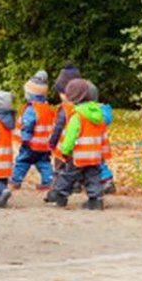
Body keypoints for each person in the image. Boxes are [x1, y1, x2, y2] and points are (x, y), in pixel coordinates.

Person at [48, 79, 111, 210]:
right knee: (93, 177)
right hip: (94, 155)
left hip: (78, 155)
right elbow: (104, 136)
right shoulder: (99, 116)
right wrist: (104, 153)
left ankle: (60, 195)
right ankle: (96, 199)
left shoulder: (77, 115)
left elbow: (71, 135)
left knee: (68, 175)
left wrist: (65, 150)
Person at [10, 71, 55, 191]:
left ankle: (15, 180)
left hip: (30, 143)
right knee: (44, 163)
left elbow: (28, 124)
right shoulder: (47, 108)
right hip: (44, 144)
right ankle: (49, 180)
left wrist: (25, 137)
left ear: (30, 94)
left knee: (22, 161)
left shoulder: (31, 109)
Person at [45, 61, 80, 202]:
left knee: (60, 170)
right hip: (79, 148)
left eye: (61, 92)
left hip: (63, 147)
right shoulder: (82, 108)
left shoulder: (64, 109)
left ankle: (56, 191)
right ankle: (75, 185)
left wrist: (52, 143)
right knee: (74, 168)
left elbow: (58, 128)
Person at [86, 82, 117, 194]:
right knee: (99, 162)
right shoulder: (102, 111)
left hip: (86, 144)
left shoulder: (86, 111)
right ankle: (107, 180)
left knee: (88, 164)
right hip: (99, 143)